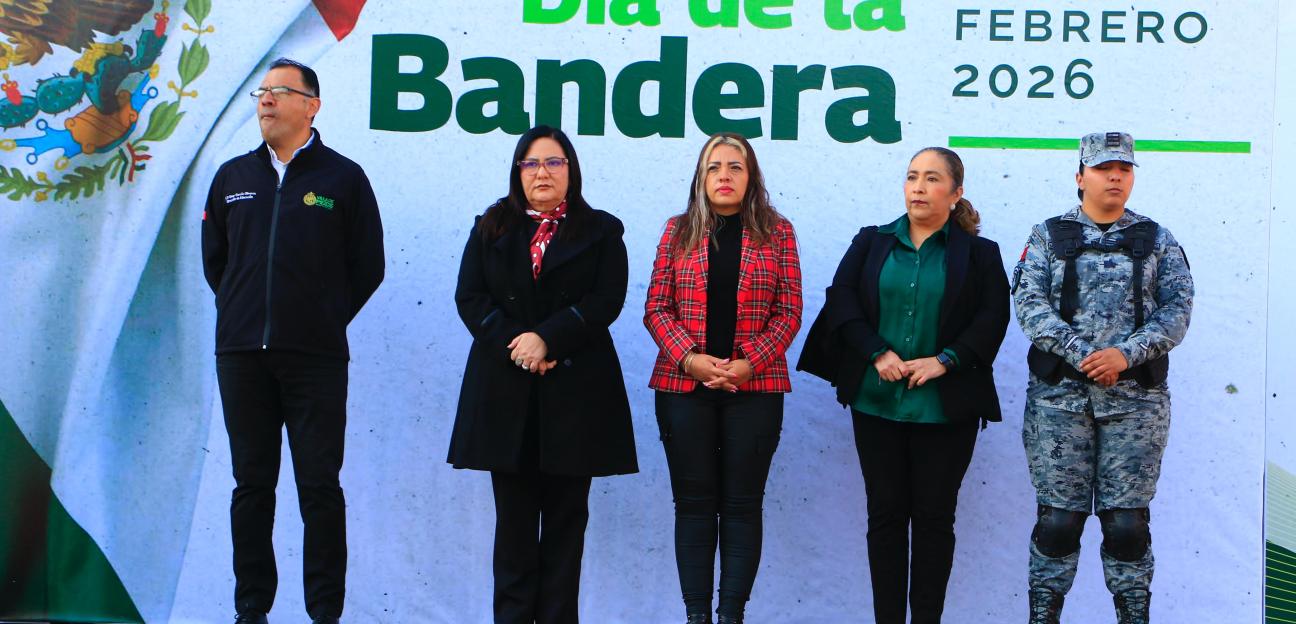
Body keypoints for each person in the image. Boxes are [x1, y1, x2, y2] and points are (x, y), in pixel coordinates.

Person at [201, 58, 385, 624]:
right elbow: (216, 264)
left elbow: (368, 266)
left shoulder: (343, 178)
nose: (266, 100)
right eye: (262, 91)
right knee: (251, 485)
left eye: (280, 91)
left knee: (319, 487)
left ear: (312, 106)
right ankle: (251, 608)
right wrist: (244, 313)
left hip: (315, 360)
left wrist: (320, 319)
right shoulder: (232, 177)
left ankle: (324, 611)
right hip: (241, 357)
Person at [797, 147, 1010, 623]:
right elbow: (841, 298)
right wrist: (877, 352)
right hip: (877, 403)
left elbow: (993, 317)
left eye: (932, 178)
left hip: (946, 407)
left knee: (934, 521)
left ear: (956, 193)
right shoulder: (871, 241)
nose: (919, 186)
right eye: (912, 176)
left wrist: (946, 361)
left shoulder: (980, 254)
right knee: (885, 518)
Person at [449, 125, 638, 624]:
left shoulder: (601, 231)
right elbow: (470, 297)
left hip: (575, 398)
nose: (542, 173)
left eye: (554, 162)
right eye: (531, 163)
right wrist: (520, 345)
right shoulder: (491, 226)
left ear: (571, 170)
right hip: (505, 393)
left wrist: (549, 339)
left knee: (565, 530)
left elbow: (606, 300)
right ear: (518, 172)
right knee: (512, 530)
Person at [1012, 132, 1194, 624]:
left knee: (1126, 525)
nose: (1115, 176)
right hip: (1059, 402)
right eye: (1103, 168)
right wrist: (1086, 356)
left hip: (1136, 404)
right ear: (1080, 176)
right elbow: (1029, 306)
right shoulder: (1047, 236)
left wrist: (1123, 356)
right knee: (1058, 521)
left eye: (1124, 169)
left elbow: (1177, 311)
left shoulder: (1157, 239)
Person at [644, 133, 803, 624]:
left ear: (751, 176)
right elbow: (656, 307)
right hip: (683, 388)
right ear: (701, 176)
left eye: (736, 166)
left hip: (755, 388)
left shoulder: (778, 232)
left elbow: (789, 311)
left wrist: (749, 362)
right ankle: (697, 616)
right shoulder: (677, 231)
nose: (725, 176)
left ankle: (732, 615)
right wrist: (689, 358)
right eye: (714, 167)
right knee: (693, 506)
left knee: (742, 506)